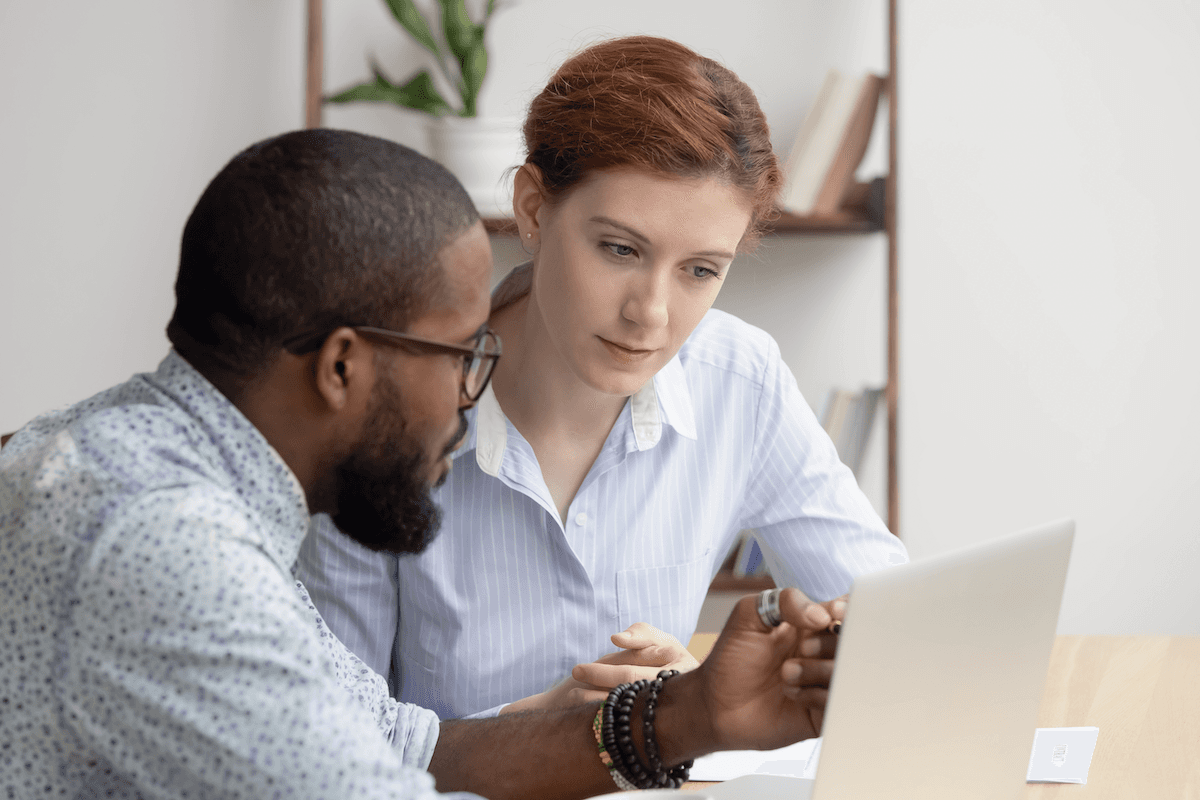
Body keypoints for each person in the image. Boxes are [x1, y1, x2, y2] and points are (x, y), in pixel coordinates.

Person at [0, 128, 843, 800]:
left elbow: (407, 746)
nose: (472, 394)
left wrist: (687, 715)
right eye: (461, 352)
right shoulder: (164, 543)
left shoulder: (152, 467)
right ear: (341, 368)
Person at [297, 34, 908, 722]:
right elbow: (327, 742)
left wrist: (696, 700)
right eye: (620, 249)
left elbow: (895, 630)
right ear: (533, 210)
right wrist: (635, 731)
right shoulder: (384, 413)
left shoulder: (741, 381)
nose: (650, 314)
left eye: (701, 270)